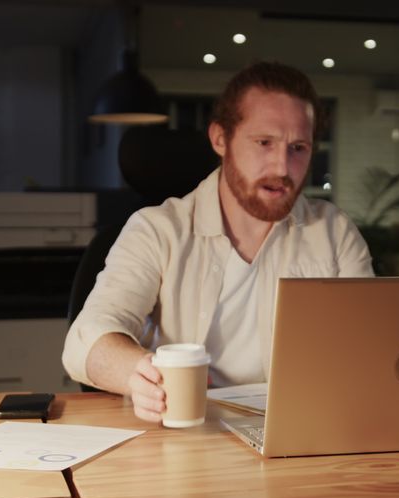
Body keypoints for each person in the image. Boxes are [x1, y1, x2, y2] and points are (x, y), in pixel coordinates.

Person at [62, 61, 374, 422]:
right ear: (220, 139)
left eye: (298, 148)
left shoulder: (334, 233)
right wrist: (139, 374)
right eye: (264, 143)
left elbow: (368, 349)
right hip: (186, 432)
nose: (283, 168)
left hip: (295, 430)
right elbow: (86, 338)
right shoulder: (157, 230)